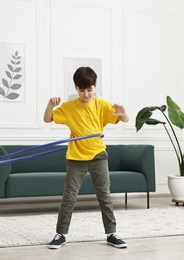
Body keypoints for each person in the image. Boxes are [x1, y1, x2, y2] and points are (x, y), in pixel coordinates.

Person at [43, 67, 129, 249]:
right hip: (76, 157)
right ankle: (61, 234)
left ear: (94, 86)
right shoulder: (69, 107)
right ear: (76, 88)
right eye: (82, 90)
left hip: (98, 155)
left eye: (89, 89)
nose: (86, 94)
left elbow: (125, 119)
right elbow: (47, 119)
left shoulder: (102, 105)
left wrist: (123, 111)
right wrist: (51, 105)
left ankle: (111, 233)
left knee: (104, 194)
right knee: (69, 196)